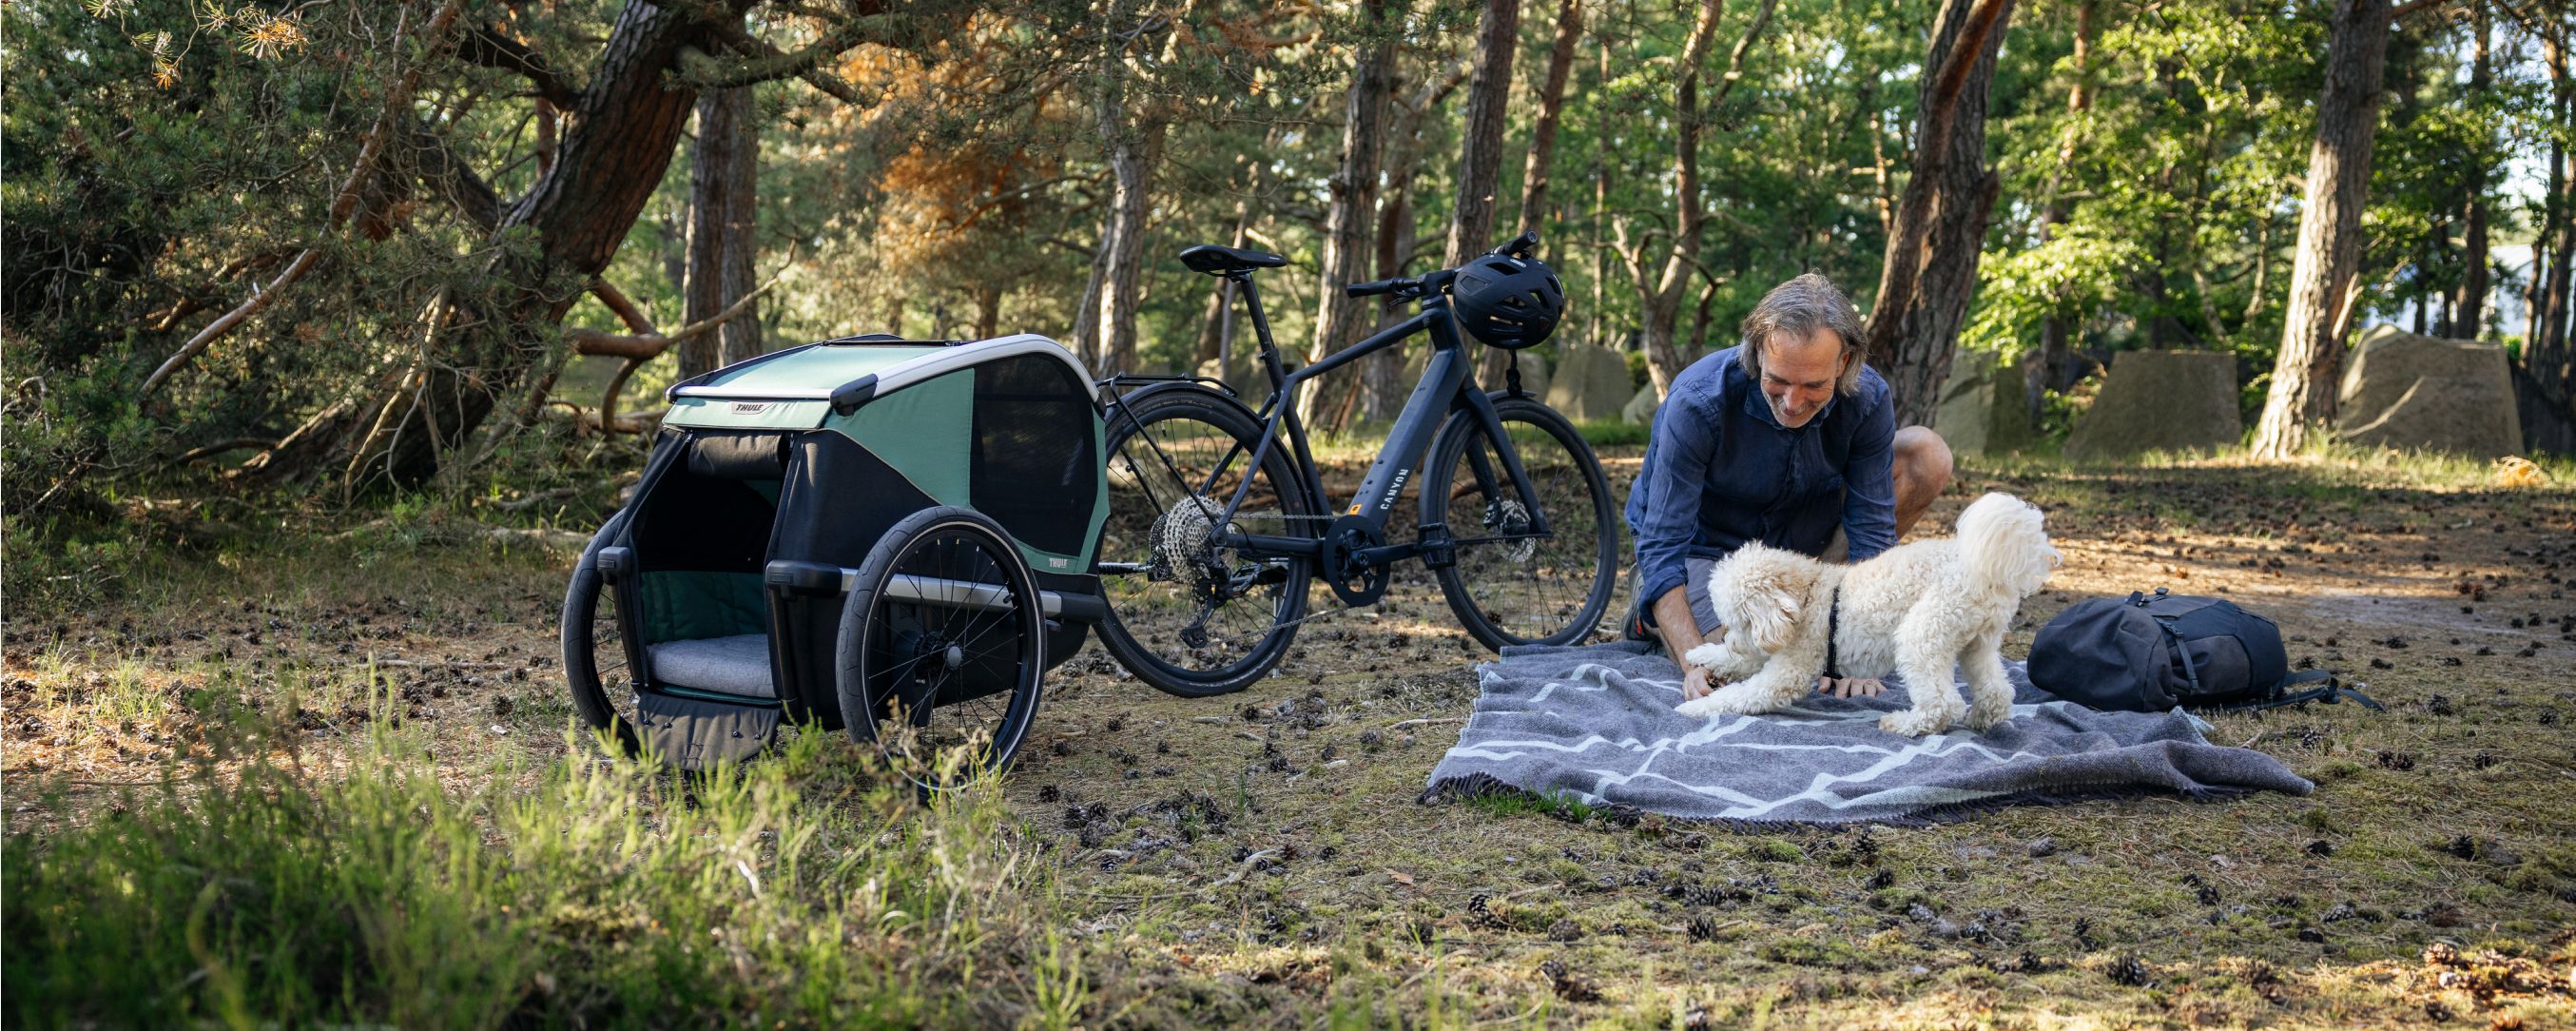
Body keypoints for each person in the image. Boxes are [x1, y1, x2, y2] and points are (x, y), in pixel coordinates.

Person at [1622, 273, 1953, 702]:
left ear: (1843, 362)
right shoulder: (1698, 402)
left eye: (1814, 385)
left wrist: (1856, 652)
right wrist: (1693, 661)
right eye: (1778, 380)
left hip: (1807, 552)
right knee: (1742, 661)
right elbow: (1662, 544)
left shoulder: (1868, 399)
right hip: (1707, 554)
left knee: (1927, 453)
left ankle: (1818, 619)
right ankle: (1651, 614)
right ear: (1759, 350)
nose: (1793, 403)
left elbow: (1872, 534)